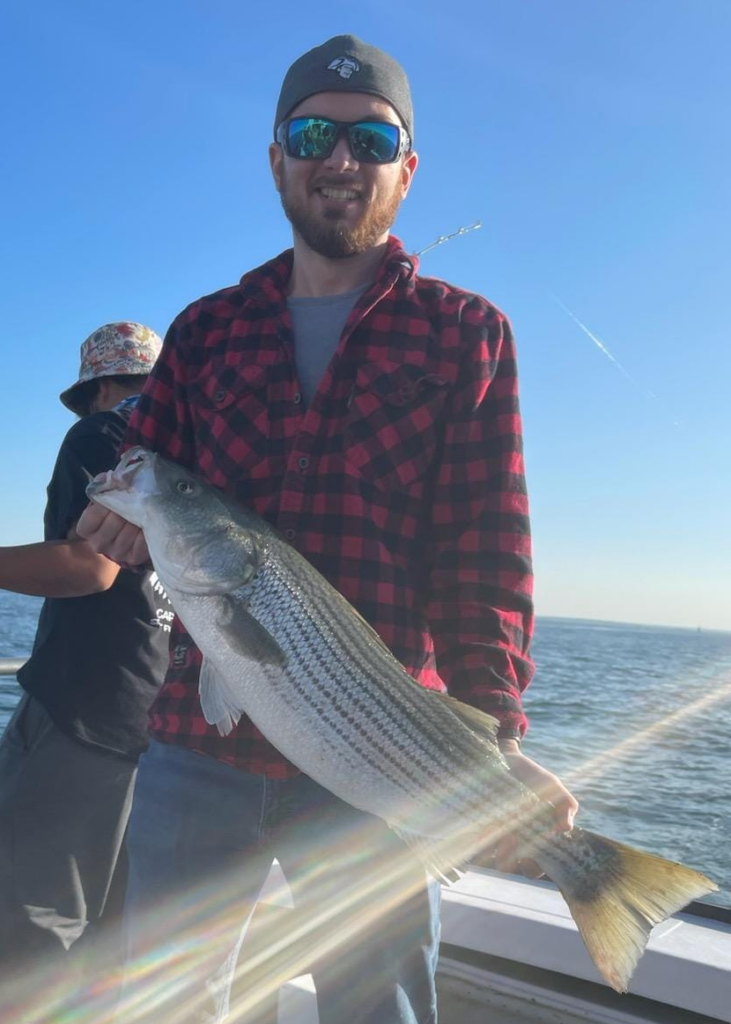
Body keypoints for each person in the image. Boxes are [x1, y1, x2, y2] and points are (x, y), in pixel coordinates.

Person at [78, 36, 579, 1024]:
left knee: (376, 1010)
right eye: (312, 134)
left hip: (381, 756)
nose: (339, 159)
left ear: (406, 167)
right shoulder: (204, 330)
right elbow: (141, 481)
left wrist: (495, 738)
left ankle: (596, 880)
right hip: (197, 742)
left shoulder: (466, 334)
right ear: (276, 159)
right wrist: (116, 519)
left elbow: (485, 558)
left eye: (369, 137)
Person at [0, 322, 170, 1014]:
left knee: (36, 923)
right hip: (156, 721)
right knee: (110, 928)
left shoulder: (100, 436)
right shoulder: (182, 453)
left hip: (81, 709)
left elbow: (89, 567)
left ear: (97, 386)